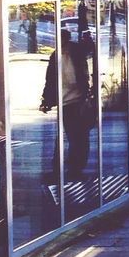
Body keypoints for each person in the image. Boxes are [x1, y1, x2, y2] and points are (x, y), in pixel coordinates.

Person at [40, 29, 92, 177]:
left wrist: (87, 39)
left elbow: (88, 52)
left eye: (63, 40)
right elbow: (50, 80)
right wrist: (46, 100)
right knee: (67, 137)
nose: (61, 44)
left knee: (77, 136)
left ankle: (75, 168)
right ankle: (61, 168)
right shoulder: (55, 55)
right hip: (64, 101)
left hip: (76, 100)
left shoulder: (75, 52)